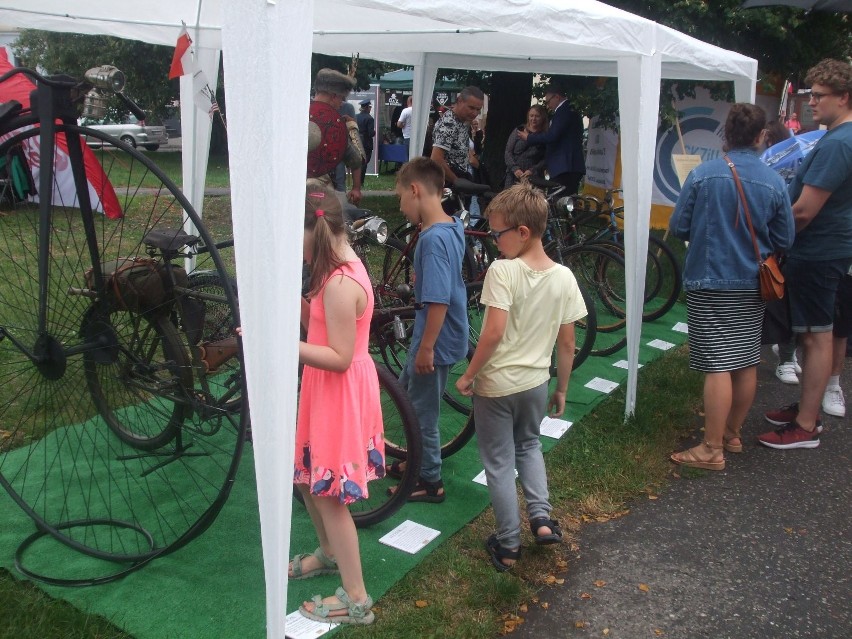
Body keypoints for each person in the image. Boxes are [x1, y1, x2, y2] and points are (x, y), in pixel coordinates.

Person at [455, 183, 587, 571]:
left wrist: (469, 374)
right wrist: (562, 387)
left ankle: (509, 544)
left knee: (498, 462)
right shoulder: (564, 277)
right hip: (535, 383)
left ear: (522, 232)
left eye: (498, 234)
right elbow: (567, 343)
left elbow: (493, 333)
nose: (495, 243)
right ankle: (542, 520)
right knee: (529, 446)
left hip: (496, 386)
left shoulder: (503, 271)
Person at [669, 103, 794, 470]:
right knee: (744, 359)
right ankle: (732, 434)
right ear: (760, 137)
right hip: (754, 281)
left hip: (710, 279)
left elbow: (679, 227)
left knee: (717, 364)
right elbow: (785, 236)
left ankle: (711, 448)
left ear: (726, 134)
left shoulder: (704, 174)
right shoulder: (774, 182)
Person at [290, 180, 383, 625]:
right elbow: (319, 324)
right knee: (308, 480)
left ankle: (356, 598)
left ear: (315, 231)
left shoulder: (341, 282)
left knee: (331, 497)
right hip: (324, 388)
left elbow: (340, 356)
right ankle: (328, 553)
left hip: (338, 392)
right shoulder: (332, 266)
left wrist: (280, 345)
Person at [759, 59, 852, 449]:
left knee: (816, 336)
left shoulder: (837, 143)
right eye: (810, 94)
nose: (810, 102)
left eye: (819, 96)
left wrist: (773, 242)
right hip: (826, 249)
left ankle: (806, 426)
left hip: (818, 251)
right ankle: (806, 409)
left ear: (844, 97)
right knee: (816, 334)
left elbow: (804, 209)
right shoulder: (837, 138)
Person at [386, 157, 469, 502]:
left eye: (401, 198)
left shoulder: (431, 240)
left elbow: (438, 300)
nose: (402, 207)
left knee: (422, 410)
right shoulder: (451, 226)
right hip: (441, 333)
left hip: (434, 337)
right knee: (408, 394)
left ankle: (429, 480)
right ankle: (417, 460)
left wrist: (426, 348)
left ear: (416, 190)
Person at [307, 68, 363, 205]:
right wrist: (352, 128)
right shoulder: (334, 127)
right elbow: (357, 158)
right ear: (333, 96)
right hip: (325, 194)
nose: (341, 103)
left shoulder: (293, 113)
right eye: (341, 98)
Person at [518, 84, 585, 194]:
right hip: (567, 165)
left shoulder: (564, 111)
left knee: (558, 199)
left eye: (548, 101)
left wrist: (529, 137)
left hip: (565, 166)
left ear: (557, 97)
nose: (548, 105)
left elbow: (552, 136)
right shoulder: (569, 110)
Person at [430, 86, 485, 185]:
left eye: (478, 110)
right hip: (448, 183)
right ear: (459, 101)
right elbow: (436, 159)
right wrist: (457, 182)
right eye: (471, 108)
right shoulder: (449, 123)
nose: (475, 113)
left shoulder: (462, 120)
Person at [503, 104, 549, 189]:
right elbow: (508, 152)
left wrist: (533, 170)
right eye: (531, 116)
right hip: (514, 176)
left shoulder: (545, 136)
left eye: (537, 116)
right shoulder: (519, 130)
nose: (533, 119)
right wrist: (515, 168)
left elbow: (546, 158)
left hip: (534, 178)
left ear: (542, 117)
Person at [356, 99, 375, 185]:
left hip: (356, 141)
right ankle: (360, 181)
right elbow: (371, 133)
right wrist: (374, 132)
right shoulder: (369, 118)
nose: (370, 108)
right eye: (370, 107)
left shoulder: (356, 116)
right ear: (367, 107)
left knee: (357, 162)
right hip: (366, 143)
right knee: (364, 163)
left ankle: (355, 181)